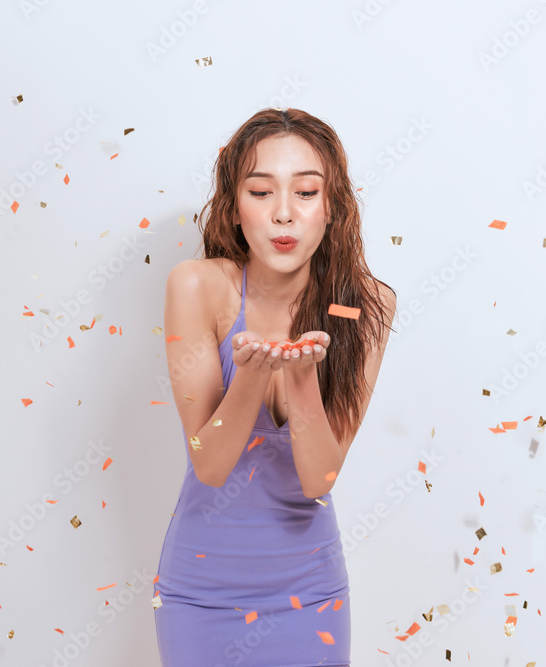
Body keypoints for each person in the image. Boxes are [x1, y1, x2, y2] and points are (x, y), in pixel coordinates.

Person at [154, 107, 396, 666]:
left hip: (310, 594)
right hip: (200, 595)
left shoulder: (366, 307)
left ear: (331, 207)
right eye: (261, 192)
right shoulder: (198, 287)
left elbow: (318, 479)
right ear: (234, 208)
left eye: (306, 192)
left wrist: (303, 377)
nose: (283, 214)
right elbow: (210, 467)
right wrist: (252, 377)